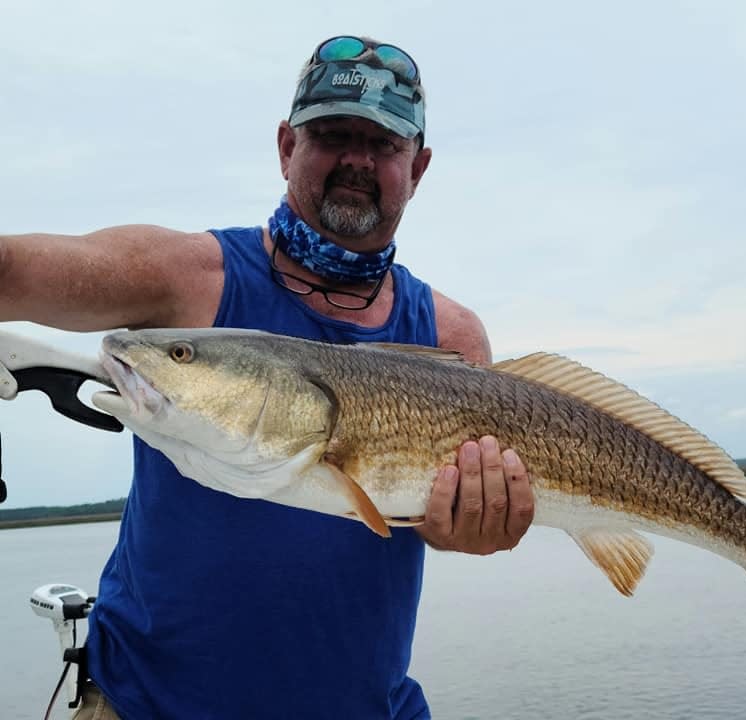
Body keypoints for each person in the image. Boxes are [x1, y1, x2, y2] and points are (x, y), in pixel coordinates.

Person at [0, 35, 535, 719]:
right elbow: (15, 272)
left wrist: (471, 526)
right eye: (332, 134)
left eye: (383, 143)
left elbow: (431, 520)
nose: (356, 159)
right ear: (286, 146)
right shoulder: (188, 281)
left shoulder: (451, 339)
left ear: (418, 166)